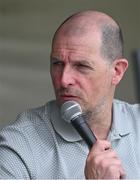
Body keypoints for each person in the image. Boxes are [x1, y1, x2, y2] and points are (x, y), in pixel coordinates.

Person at [0, 10, 140, 179]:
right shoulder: (19, 144)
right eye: (57, 63)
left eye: (81, 66)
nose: (64, 80)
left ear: (116, 72)